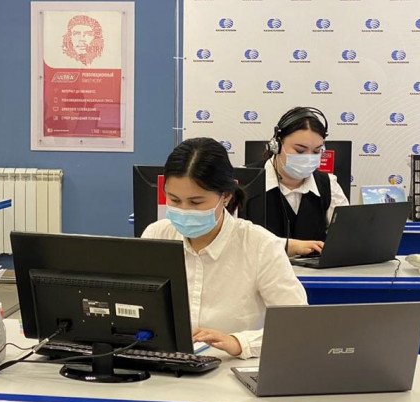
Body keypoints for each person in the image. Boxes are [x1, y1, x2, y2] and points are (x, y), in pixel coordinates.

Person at [142, 137, 307, 359]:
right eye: (174, 200)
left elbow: (297, 325)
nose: (184, 210)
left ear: (226, 196)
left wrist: (239, 343)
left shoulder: (260, 245)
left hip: (231, 368)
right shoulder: (156, 235)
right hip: (167, 365)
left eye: (196, 202)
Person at [260, 107, 349, 257]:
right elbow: (233, 242)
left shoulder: (328, 184)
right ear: (276, 145)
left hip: (314, 272)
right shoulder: (246, 183)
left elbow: (346, 234)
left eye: (316, 151)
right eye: (300, 150)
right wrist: (286, 246)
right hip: (261, 271)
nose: (308, 157)